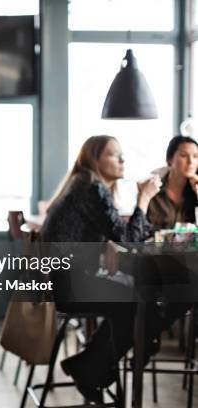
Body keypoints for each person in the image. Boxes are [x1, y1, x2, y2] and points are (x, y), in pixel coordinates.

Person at [41, 135, 162, 403]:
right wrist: (144, 198)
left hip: (65, 282)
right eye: (113, 154)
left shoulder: (83, 184)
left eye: (121, 154)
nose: (122, 159)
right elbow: (130, 240)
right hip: (71, 285)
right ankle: (92, 367)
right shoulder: (91, 188)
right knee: (139, 305)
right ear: (95, 160)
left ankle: (89, 366)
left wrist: (109, 242)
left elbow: (121, 236)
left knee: (138, 305)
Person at [147, 135, 198, 230]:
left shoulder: (194, 192)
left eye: (195, 156)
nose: (191, 161)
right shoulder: (152, 191)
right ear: (170, 159)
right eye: (184, 155)